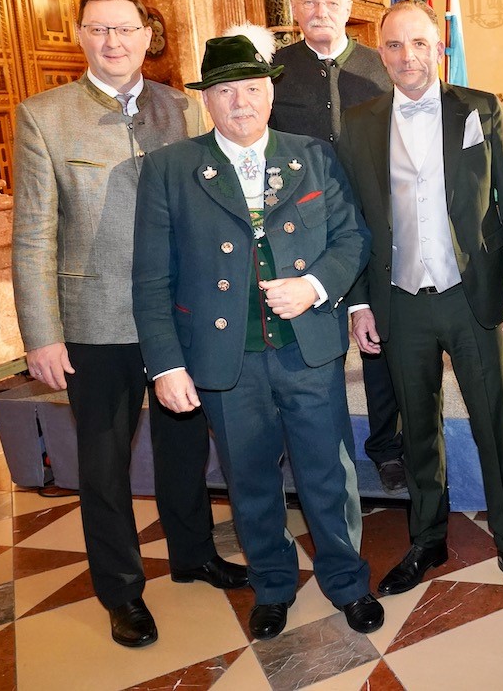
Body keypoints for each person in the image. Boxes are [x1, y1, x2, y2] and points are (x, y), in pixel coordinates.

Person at [11, 0, 246, 649]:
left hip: (179, 315)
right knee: (104, 462)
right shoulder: (43, 117)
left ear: (147, 36)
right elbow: (33, 234)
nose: (113, 42)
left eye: (125, 30)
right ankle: (120, 591)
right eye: (99, 30)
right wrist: (42, 334)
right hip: (97, 321)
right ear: (79, 36)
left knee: (185, 445)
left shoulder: (182, 107)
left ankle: (194, 554)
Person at [131, 32, 382, 642]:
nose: (240, 101)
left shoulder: (313, 156)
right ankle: (271, 585)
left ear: (270, 93)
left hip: (308, 351)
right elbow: (151, 277)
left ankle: (346, 581)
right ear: (206, 101)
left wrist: (315, 286)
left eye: (251, 88)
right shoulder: (169, 169)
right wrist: (166, 365)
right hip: (226, 360)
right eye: (225, 91)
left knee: (327, 474)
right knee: (249, 480)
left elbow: (352, 237)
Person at [336, 0, 503, 602]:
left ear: (439, 47)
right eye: (395, 45)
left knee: (494, 425)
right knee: (417, 430)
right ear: (381, 53)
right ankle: (426, 540)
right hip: (399, 301)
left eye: (419, 43)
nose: (408, 57)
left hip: (473, 296)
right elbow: (353, 222)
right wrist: (359, 303)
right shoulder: (359, 123)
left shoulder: (482, 109)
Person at [268, 0, 404, 494]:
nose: (319, 12)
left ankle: (387, 446)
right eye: (308, 2)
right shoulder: (273, 70)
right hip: (299, 228)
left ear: (350, 10)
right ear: (294, 9)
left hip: (375, 220)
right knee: (308, 346)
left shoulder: (380, 65)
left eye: (330, 3)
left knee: (378, 338)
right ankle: (311, 447)